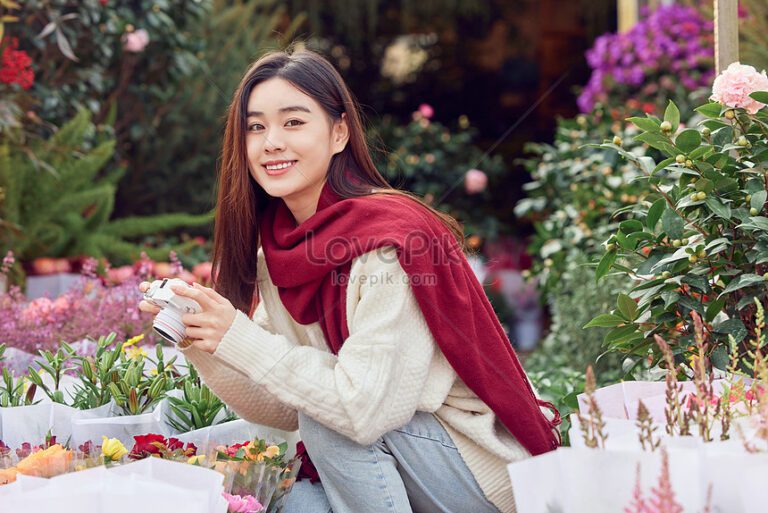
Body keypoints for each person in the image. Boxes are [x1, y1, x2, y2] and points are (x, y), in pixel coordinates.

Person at [139, 48, 559, 513]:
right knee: (287, 501)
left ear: (339, 133)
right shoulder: (278, 251)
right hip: (397, 457)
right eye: (255, 127)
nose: (271, 142)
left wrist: (238, 335)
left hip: (478, 468)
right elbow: (283, 405)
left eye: (293, 122)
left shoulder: (391, 244)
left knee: (330, 417)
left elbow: (361, 412)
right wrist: (201, 336)